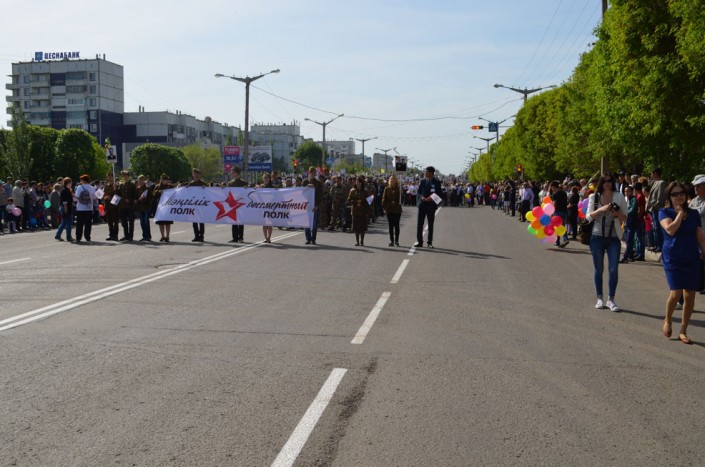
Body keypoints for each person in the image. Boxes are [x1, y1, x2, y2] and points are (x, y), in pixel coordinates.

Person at [659, 182, 705, 344]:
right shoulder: (664, 212)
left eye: (682, 193)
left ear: (686, 195)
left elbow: (700, 236)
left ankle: (683, 330)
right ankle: (668, 319)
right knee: (676, 292)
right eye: (675, 194)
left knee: (690, 294)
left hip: (691, 257)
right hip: (673, 258)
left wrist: (704, 250)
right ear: (669, 196)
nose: (679, 196)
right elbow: (670, 230)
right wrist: (679, 214)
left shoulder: (694, 214)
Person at [585, 173, 628, 311]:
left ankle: (611, 299)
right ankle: (599, 298)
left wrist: (617, 214)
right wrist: (601, 209)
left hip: (613, 238)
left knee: (613, 269)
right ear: (601, 183)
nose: (607, 183)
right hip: (597, 237)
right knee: (599, 269)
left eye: (610, 181)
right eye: (604, 181)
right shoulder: (594, 197)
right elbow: (588, 217)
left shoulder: (619, 196)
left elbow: (625, 217)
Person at [414, 166, 442, 248]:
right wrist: (422, 197)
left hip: (431, 206)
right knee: (420, 224)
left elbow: (439, 194)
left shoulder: (437, 182)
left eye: (426, 171)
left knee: (430, 224)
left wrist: (431, 198)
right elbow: (419, 192)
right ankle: (419, 242)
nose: (425, 173)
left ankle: (429, 242)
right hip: (422, 205)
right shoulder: (423, 181)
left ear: (431, 173)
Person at [689, 175, 705, 293]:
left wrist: (695, 211)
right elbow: (689, 212)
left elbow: (701, 211)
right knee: (699, 260)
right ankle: (700, 284)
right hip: (696, 235)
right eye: (695, 186)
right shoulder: (694, 200)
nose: (695, 188)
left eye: (698, 186)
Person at [646, 168, 667, 252]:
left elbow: (660, 198)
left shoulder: (661, 183)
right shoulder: (655, 183)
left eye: (652, 173)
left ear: (655, 173)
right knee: (655, 228)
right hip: (652, 209)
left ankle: (660, 245)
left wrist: (654, 207)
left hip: (657, 209)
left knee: (658, 228)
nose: (651, 175)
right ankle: (656, 244)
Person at [226, 166, 248, 242]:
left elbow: (246, 193)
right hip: (232, 204)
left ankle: (241, 237)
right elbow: (227, 193)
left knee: (241, 220)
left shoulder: (243, 183)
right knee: (233, 220)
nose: (231, 173)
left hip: (240, 204)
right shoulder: (230, 183)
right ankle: (235, 238)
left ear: (236, 173)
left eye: (232, 172)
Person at [74, 174, 97, 243]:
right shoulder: (91, 187)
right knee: (88, 224)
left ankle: (78, 237)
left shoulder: (79, 187)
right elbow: (94, 198)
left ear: (83, 180)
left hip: (80, 208)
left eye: (81, 180)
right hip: (89, 208)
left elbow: (76, 197)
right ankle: (87, 237)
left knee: (79, 224)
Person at [302, 167, 322, 245]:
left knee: (314, 224)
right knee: (306, 223)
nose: (313, 174)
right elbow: (302, 192)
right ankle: (308, 239)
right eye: (311, 172)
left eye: (314, 173)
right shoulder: (305, 182)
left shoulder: (318, 183)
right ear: (309, 173)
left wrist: (317, 205)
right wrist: (307, 186)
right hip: (306, 206)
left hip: (314, 206)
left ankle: (313, 239)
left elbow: (320, 195)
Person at [382, 174, 403, 246]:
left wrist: (401, 194)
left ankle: (397, 240)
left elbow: (402, 200)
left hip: (397, 209)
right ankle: (391, 241)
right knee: (390, 226)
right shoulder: (387, 189)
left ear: (396, 180)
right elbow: (384, 199)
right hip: (389, 209)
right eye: (391, 179)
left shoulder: (399, 188)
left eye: (394, 179)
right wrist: (385, 207)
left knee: (396, 225)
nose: (392, 180)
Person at [188, 168, 208, 242]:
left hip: (201, 205)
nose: (196, 176)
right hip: (193, 205)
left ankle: (201, 236)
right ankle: (196, 236)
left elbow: (209, 193)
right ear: (193, 175)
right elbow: (187, 194)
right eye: (195, 174)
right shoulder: (190, 184)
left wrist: (205, 189)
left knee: (201, 221)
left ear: (200, 175)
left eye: (197, 174)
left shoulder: (204, 184)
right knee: (194, 221)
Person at [348, 176, 369, 246]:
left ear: (361, 183)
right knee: (356, 227)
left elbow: (369, 200)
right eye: (356, 182)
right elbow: (349, 200)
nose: (358, 183)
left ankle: (362, 241)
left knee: (362, 228)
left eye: (359, 182)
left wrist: (362, 201)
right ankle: (357, 241)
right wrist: (356, 202)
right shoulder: (352, 191)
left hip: (363, 211)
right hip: (355, 211)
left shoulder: (365, 191)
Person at [153, 174, 174, 242]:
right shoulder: (158, 186)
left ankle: (167, 236)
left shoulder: (170, 186)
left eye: (165, 179)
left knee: (168, 222)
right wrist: (158, 192)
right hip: (160, 207)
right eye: (163, 179)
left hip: (168, 206)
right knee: (160, 222)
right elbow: (154, 195)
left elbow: (175, 194)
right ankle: (162, 236)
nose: (164, 180)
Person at [549, 180, 569, 247]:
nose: (551, 189)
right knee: (562, 226)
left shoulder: (554, 194)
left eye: (551, 187)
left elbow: (554, 204)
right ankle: (565, 239)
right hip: (564, 211)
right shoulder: (564, 193)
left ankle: (557, 242)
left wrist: (551, 212)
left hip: (557, 212)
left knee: (556, 227)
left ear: (553, 186)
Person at [55, 177, 75, 242]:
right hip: (66, 208)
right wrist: (66, 210)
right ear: (68, 183)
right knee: (69, 223)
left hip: (65, 207)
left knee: (63, 223)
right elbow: (64, 201)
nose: (71, 183)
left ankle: (58, 235)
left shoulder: (67, 189)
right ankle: (69, 237)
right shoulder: (65, 190)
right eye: (70, 182)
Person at [102, 172, 120, 241]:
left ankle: (115, 235)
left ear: (113, 177)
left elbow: (118, 196)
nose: (110, 178)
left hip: (114, 206)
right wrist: (105, 197)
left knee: (115, 221)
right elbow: (103, 195)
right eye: (108, 177)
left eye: (111, 177)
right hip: (107, 206)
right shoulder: (106, 186)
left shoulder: (116, 186)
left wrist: (111, 198)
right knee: (109, 222)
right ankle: (111, 234)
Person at [135, 175, 153, 241]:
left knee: (146, 222)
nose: (140, 181)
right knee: (142, 222)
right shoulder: (137, 189)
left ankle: (148, 236)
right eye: (139, 180)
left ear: (144, 180)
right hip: (140, 208)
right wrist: (136, 200)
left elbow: (151, 198)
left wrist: (143, 199)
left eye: (141, 180)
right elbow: (136, 197)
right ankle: (144, 236)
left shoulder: (148, 188)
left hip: (146, 207)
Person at [259, 172, 274, 243]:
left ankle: (269, 238)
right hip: (262, 207)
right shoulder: (260, 187)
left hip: (270, 207)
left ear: (269, 179)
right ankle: (265, 238)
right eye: (264, 178)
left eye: (267, 177)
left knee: (269, 223)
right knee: (264, 223)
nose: (265, 179)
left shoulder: (272, 187)